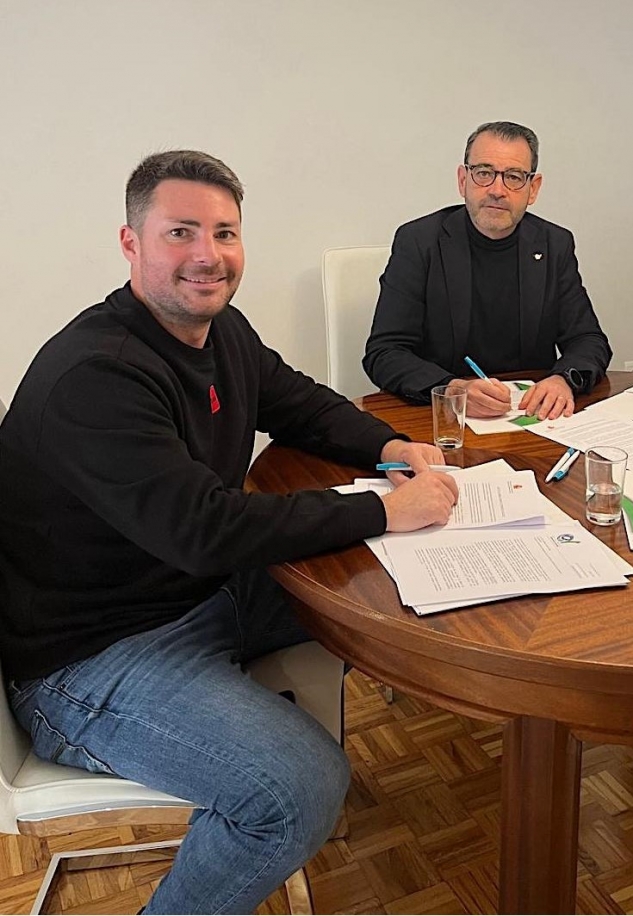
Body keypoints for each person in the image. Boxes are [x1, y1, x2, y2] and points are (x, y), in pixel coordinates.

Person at [0, 151, 459, 913]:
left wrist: (388, 448)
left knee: (391, 585)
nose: (207, 255)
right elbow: (206, 530)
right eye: (180, 232)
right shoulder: (97, 376)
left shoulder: (221, 331)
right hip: (92, 657)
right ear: (130, 243)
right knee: (298, 792)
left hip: (193, 592)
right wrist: (384, 507)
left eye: (225, 232)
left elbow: (301, 403)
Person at [363, 120, 612, 421]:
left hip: (529, 417)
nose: (497, 190)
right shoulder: (419, 242)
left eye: (514, 177)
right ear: (462, 180)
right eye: (483, 173)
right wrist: (452, 389)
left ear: (533, 189)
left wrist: (563, 380)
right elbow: (385, 352)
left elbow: (588, 340)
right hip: (444, 424)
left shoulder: (554, 244)